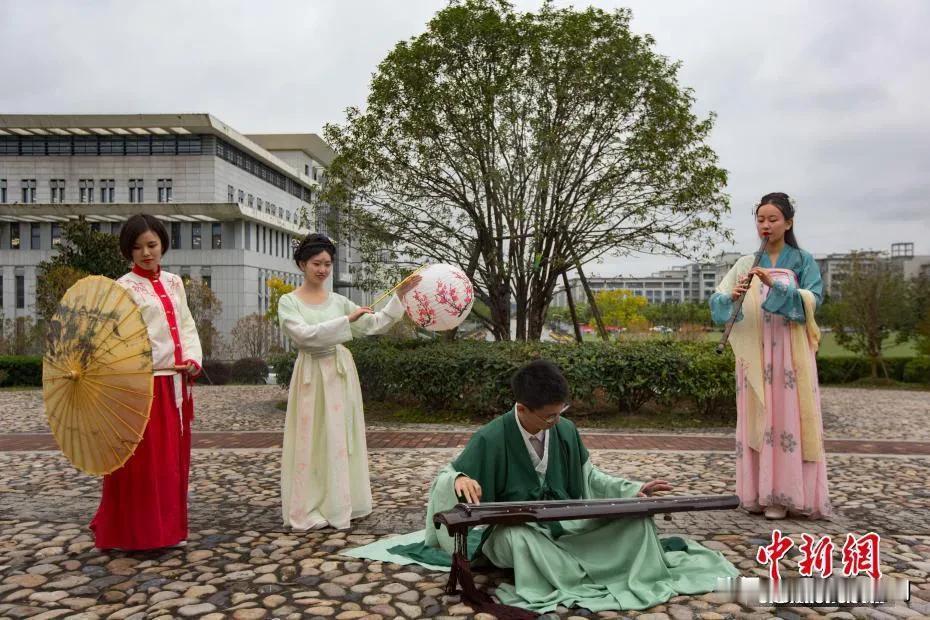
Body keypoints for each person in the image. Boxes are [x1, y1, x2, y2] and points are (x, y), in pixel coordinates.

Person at [373, 360, 738, 614]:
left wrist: (633, 490)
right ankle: (581, 574)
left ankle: (590, 567)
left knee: (635, 521)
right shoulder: (491, 437)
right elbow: (445, 478)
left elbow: (590, 477)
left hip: (565, 523)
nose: (555, 421)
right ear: (522, 407)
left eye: (560, 412)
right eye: (548, 415)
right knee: (521, 542)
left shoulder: (565, 429)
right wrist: (460, 480)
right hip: (515, 529)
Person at [277, 233, 421, 530]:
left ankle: (341, 502)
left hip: (340, 372)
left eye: (328, 264)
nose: (323, 270)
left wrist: (400, 296)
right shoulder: (288, 302)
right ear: (302, 264)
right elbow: (303, 335)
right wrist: (347, 322)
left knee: (340, 437)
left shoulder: (339, 301)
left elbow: (375, 324)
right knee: (311, 436)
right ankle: (310, 505)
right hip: (310, 375)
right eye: (317, 263)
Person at [710, 192, 831, 520]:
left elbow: (813, 300)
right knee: (759, 418)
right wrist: (733, 296)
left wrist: (776, 286)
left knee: (788, 417)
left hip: (790, 352)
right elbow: (718, 301)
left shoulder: (802, 260)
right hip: (756, 349)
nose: (766, 225)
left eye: (773, 219)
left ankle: (788, 494)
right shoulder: (745, 263)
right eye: (760, 219)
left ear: (788, 222)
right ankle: (756, 493)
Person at [90, 214, 202, 550]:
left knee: (170, 464)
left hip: (175, 386)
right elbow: (114, 339)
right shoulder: (122, 289)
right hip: (140, 388)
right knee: (141, 465)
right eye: (137, 247)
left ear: (162, 244)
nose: (146, 253)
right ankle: (136, 534)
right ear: (128, 250)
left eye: (152, 245)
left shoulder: (174, 282)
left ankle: (169, 531)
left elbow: (187, 325)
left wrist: (194, 359)